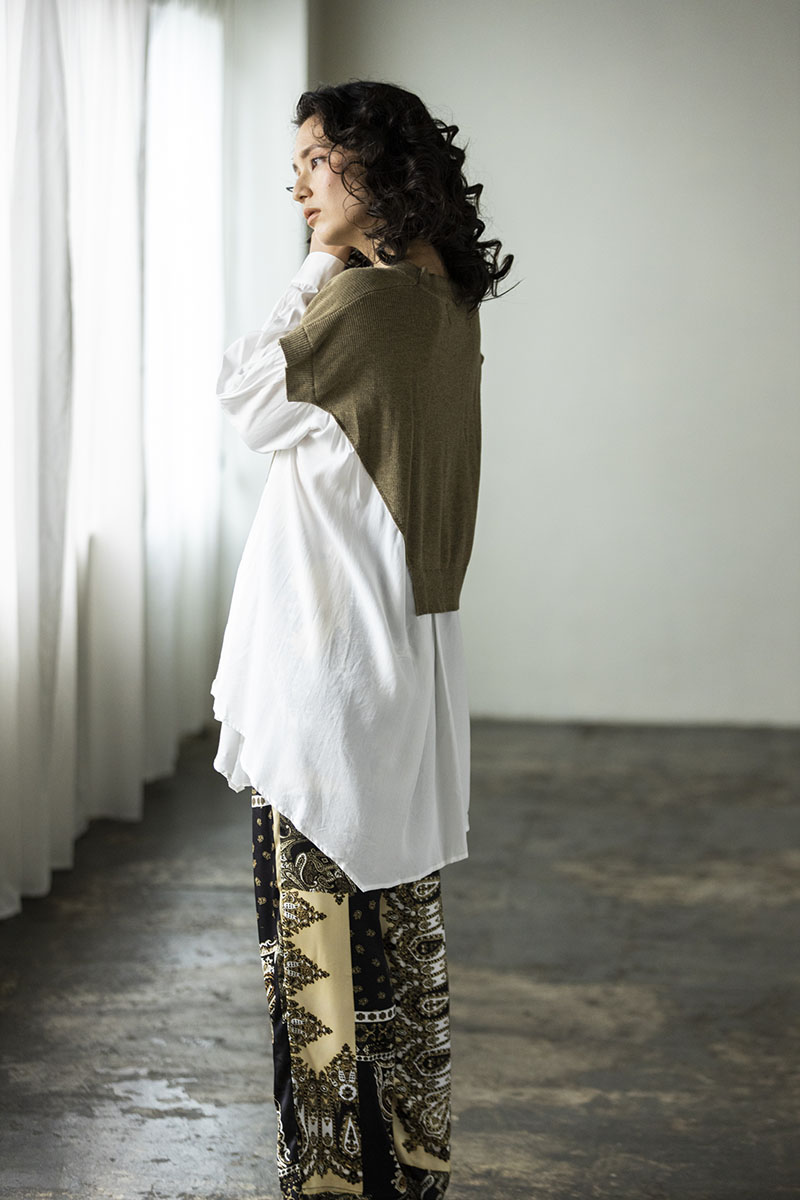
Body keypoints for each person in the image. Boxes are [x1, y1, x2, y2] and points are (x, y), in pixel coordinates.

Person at [211, 80, 513, 1200]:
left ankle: (331, 1181)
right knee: (395, 947)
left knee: (316, 966)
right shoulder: (443, 299)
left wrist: (314, 268)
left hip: (322, 674)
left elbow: (245, 398)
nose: (296, 182)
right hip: (397, 668)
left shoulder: (366, 301)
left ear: (375, 167)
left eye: (315, 160)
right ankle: (410, 1169)